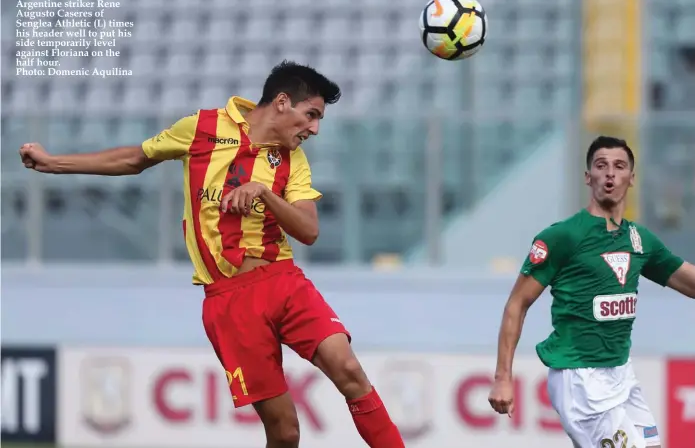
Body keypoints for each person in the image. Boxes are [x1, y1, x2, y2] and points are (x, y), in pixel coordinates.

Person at [19, 60, 406, 448]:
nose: (315, 129)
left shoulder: (292, 161)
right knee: (285, 432)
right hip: (229, 301)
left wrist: (265, 192)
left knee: (349, 369)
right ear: (283, 102)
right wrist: (55, 164)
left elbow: (309, 231)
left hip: (282, 282)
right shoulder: (202, 129)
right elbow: (135, 158)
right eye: (312, 115)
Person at [487, 136, 695, 448]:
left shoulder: (640, 240)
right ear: (589, 177)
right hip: (580, 380)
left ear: (631, 178)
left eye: (619, 166)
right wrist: (503, 377)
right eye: (601, 166)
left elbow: (688, 281)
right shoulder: (562, 236)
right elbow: (517, 303)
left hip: (621, 374)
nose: (610, 173)